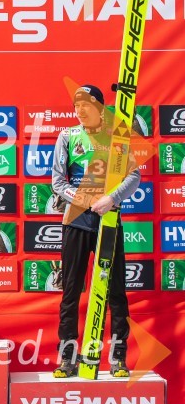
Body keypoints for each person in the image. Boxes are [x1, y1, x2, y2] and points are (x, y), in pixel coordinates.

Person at [50, 84, 140, 378]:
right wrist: (87, 201)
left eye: (86, 105)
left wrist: (111, 199)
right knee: (71, 292)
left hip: (109, 221)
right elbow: (58, 182)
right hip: (76, 221)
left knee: (116, 293)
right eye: (76, 105)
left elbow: (134, 176)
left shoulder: (116, 137)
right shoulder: (67, 136)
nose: (80, 110)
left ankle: (118, 359)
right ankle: (67, 359)